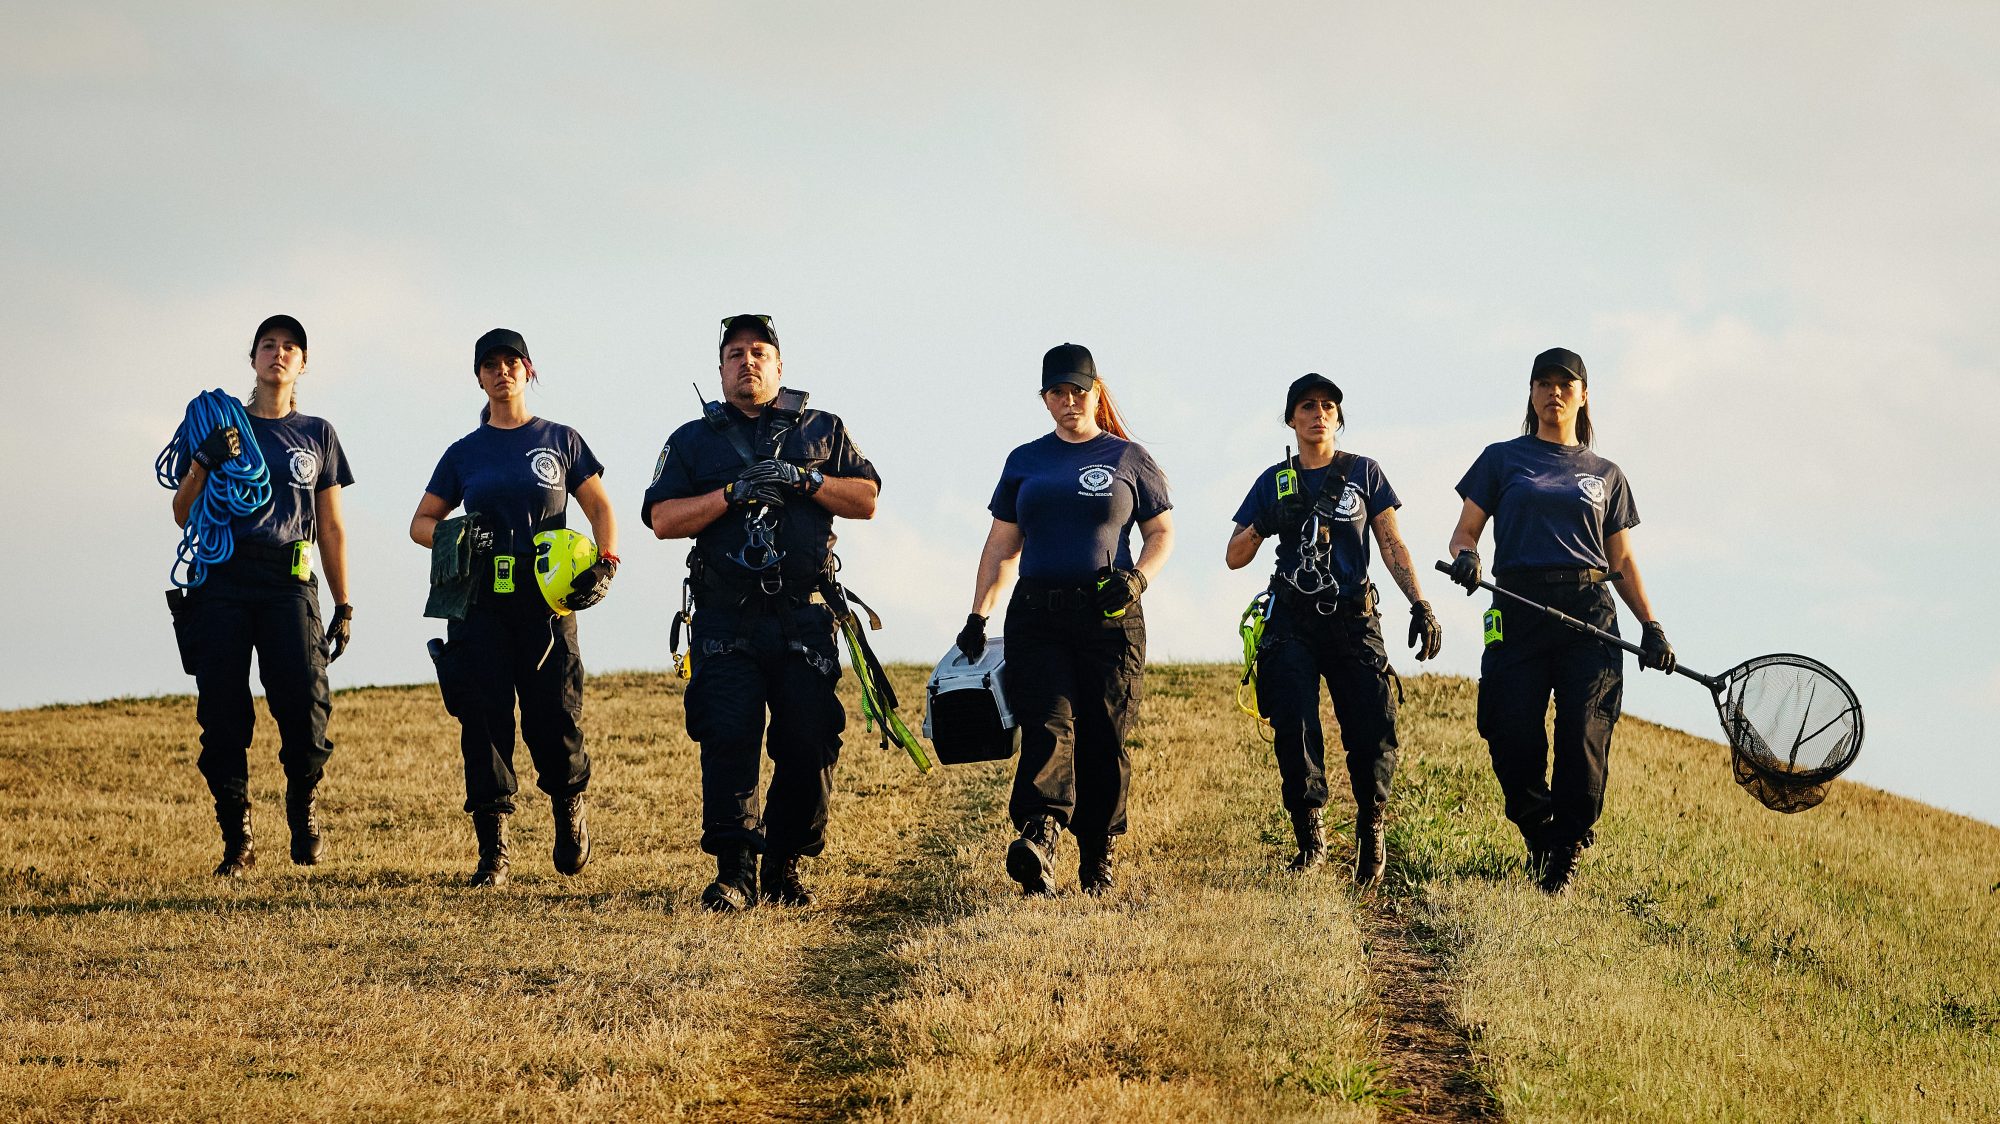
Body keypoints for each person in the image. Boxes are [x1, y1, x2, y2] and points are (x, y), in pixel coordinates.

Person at [642, 314, 881, 911]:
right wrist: (731, 493)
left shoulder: (824, 429)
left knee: (809, 739)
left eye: (759, 352)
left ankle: (784, 863)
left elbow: (867, 498)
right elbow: (663, 520)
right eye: (734, 354)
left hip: (804, 615)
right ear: (720, 370)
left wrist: (805, 480)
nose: (747, 362)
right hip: (725, 618)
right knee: (728, 736)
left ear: (779, 366)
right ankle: (735, 871)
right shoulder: (691, 441)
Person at [1445, 347, 1674, 894]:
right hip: (1517, 606)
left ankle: (1566, 848)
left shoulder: (1606, 474)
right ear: (1530, 393)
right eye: (1543, 384)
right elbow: (1465, 532)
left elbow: (1621, 561)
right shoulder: (1501, 459)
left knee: (1584, 731)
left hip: (1589, 614)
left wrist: (1651, 626)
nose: (1554, 393)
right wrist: (1467, 558)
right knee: (1510, 728)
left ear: (1583, 395)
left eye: (1565, 385)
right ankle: (1538, 829)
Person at [958, 343, 1173, 896]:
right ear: (1046, 398)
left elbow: (1162, 533)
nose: (1069, 399)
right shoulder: (1024, 460)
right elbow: (1002, 544)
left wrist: (1138, 578)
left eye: (1079, 389)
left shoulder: (1129, 457)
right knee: (1048, 724)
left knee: (1104, 734)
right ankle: (1041, 833)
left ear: (1096, 391)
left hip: (1110, 616)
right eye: (1058, 391)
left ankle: (1097, 856)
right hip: (1039, 613)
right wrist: (979, 614)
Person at [410, 328, 619, 888]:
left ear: (530, 370)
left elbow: (599, 505)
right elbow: (420, 524)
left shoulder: (562, 440)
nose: (502, 371)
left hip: (548, 603)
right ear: (478, 377)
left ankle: (569, 809)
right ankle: (493, 852)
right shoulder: (463, 453)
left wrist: (606, 563)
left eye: (512, 362)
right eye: (490, 365)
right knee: (482, 721)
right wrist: (455, 536)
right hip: (479, 602)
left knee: (555, 717)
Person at [1225, 373, 1441, 885]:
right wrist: (1265, 522)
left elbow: (1391, 544)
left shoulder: (1364, 473)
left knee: (1372, 725)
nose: (1318, 413)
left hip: (1353, 617)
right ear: (1291, 419)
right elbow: (1234, 556)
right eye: (1307, 406)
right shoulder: (1274, 481)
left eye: (1328, 406)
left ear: (1339, 417)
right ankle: (1311, 837)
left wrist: (1420, 603)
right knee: (1295, 726)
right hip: (1291, 621)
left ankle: (1372, 821)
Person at [170, 314, 354, 877]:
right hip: (222, 577)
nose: (279, 354)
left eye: (290, 347)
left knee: (305, 704)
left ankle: (302, 805)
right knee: (223, 713)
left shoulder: (317, 433)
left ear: (302, 363)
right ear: (252, 358)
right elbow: (182, 515)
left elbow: (331, 527)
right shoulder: (220, 427)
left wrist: (344, 603)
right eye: (268, 345)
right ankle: (238, 837)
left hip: (289, 582)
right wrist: (204, 459)